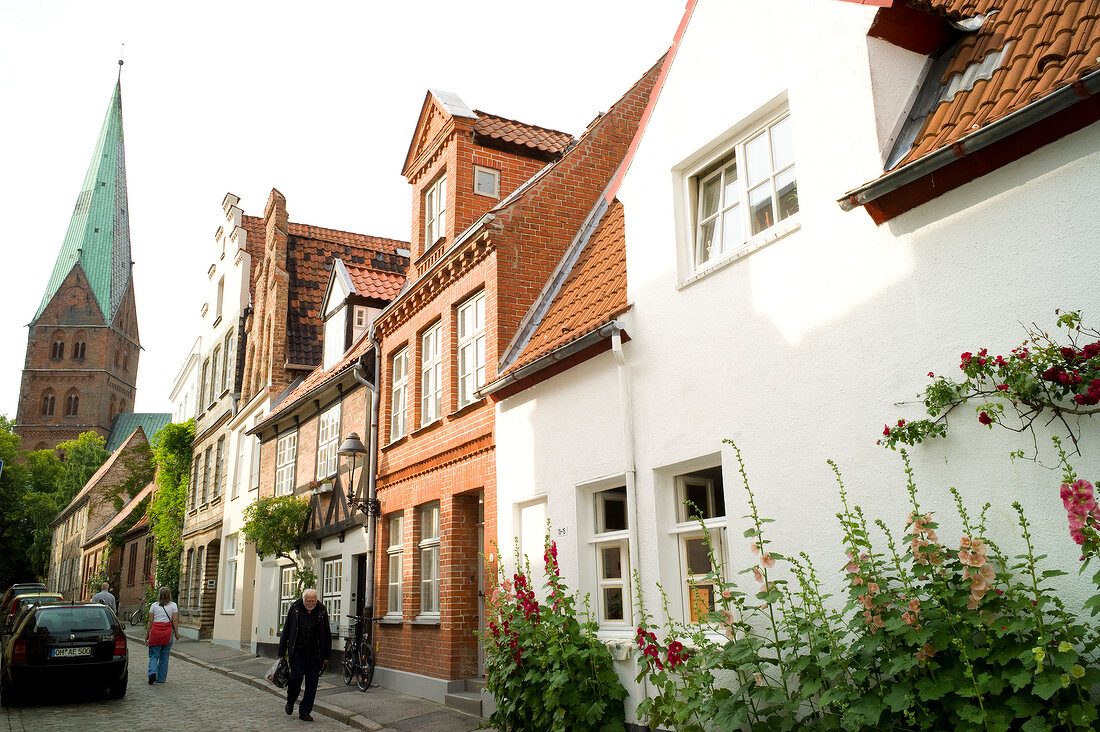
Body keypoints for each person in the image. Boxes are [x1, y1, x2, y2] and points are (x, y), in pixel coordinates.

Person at [278, 588, 331, 722]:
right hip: (297, 652)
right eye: (308, 601)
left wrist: (326, 656)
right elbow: (286, 630)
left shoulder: (322, 610)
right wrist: (281, 651)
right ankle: (291, 700)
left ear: (316, 600)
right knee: (295, 679)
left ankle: (305, 711)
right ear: (303, 599)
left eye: (313, 601)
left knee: (312, 684)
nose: (310, 603)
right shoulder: (295, 608)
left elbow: (327, 634)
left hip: (315, 654)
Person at [146, 587, 179, 684]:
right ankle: (161, 678)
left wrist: (148, 633)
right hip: (167, 633)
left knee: (154, 655)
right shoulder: (173, 605)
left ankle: (152, 673)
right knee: (164, 656)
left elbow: (150, 621)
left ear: (159, 595)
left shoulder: (154, 606)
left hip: (156, 632)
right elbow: (175, 620)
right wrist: (176, 632)